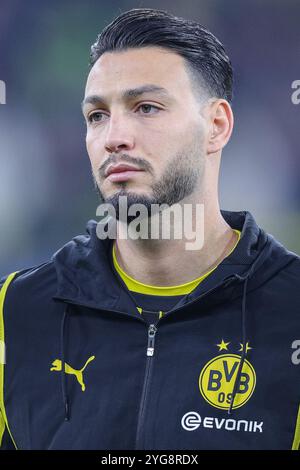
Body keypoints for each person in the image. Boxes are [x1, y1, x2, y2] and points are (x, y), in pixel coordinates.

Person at [0, 8, 299, 451]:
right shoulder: (15, 312)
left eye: (146, 108)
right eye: (97, 115)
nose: (114, 136)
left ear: (216, 126)